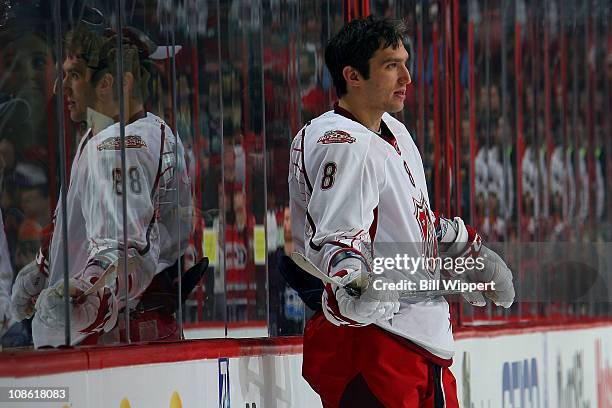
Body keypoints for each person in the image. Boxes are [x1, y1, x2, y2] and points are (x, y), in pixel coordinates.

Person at [288, 17, 515, 407]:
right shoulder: (342, 143)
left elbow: (414, 219)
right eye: (392, 65)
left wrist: (467, 250)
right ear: (353, 76)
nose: (407, 76)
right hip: (374, 346)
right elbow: (338, 243)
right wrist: (356, 285)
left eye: (405, 62)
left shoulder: (394, 131)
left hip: (421, 347)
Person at [10, 24, 194, 347]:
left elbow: (123, 254)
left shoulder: (124, 146)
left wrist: (90, 301)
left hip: (109, 341)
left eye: (75, 76)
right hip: (94, 338)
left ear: (111, 83)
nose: (61, 87)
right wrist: (43, 270)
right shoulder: (98, 138)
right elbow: (78, 225)